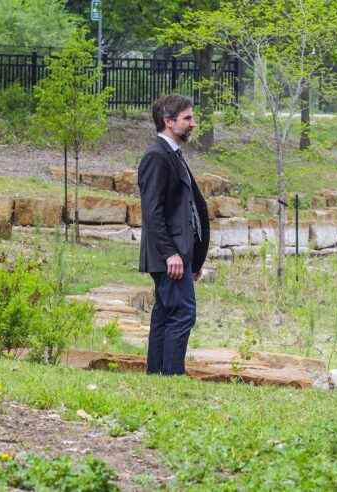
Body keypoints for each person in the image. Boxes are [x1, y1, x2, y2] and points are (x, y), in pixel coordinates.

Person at [138, 94, 210, 375]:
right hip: (169, 255)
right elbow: (152, 212)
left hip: (180, 255)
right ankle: (171, 375)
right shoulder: (156, 156)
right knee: (182, 313)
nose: (193, 123)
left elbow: (190, 208)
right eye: (187, 118)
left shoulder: (173, 154)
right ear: (169, 122)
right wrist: (171, 254)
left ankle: (158, 375)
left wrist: (194, 258)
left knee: (166, 313)